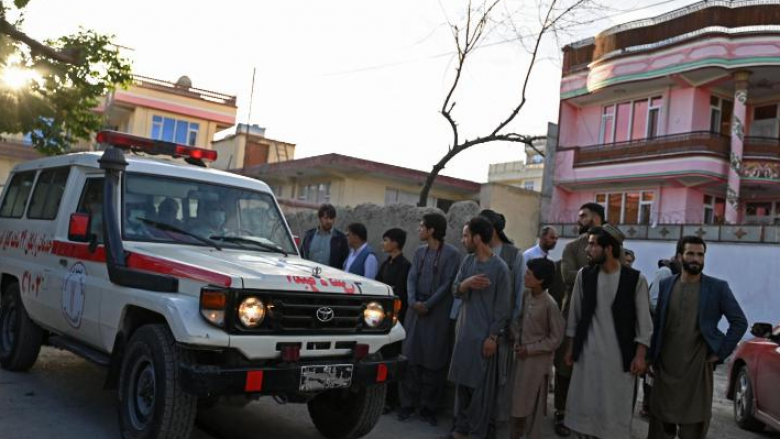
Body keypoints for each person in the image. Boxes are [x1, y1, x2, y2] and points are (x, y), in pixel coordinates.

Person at [647, 236, 747, 439]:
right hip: (665, 369)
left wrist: (720, 353)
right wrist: (650, 356)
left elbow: (739, 322)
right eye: (690, 253)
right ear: (678, 257)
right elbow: (658, 325)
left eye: (700, 254)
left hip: (697, 371)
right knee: (659, 426)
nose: (696, 259)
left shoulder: (717, 287)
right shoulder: (666, 285)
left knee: (693, 426)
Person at [564, 224, 652, 439]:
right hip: (587, 356)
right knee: (584, 409)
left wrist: (640, 355)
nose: (587, 250)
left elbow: (644, 322)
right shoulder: (585, 275)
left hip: (618, 359)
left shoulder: (635, 280)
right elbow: (574, 315)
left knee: (613, 415)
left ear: (609, 249)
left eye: (593, 245)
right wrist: (570, 348)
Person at [447, 216, 511, 439]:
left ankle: (476, 433)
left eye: (465, 235)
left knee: (480, 392)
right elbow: (455, 289)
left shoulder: (500, 268)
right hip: (464, 335)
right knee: (462, 387)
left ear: (477, 238)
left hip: (484, 338)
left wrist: (492, 337)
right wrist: (466, 283)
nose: (462, 240)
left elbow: (503, 309)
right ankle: (459, 431)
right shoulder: (468, 262)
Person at [399, 213, 462, 426]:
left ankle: (428, 408)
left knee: (433, 362)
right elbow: (412, 277)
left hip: (436, 315)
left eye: (422, 226)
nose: (419, 229)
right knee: (410, 358)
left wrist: (428, 305)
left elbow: (447, 285)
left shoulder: (452, 254)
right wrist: (412, 300)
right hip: (415, 312)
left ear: (432, 230)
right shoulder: (419, 252)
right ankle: (407, 405)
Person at [554, 202, 605, 437]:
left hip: (602, 315)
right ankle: (561, 413)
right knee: (566, 364)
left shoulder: (612, 245)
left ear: (596, 219)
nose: (579, 219)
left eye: (583, 216)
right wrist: (601, 277)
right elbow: (568, 276)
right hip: (571, 312)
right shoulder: (572, 247)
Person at [478, 208, 524, 439]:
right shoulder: (476, 253)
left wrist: (509, 327)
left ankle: (493, 426)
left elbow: (518, 295)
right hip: (477, 328)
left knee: (499, 381)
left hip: (502, 332)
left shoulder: (514, 255)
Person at [511, 258, 565, 439]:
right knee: (518, 405)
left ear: (540, 279)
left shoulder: (550, 304)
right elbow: (519, 321)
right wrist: (517, 340)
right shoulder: (527, 295)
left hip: (537, 362)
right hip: (521, 357)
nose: (525, 276)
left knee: (532, 408)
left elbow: (556, 338)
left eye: (529, 274)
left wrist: (531, 349)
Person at [376, 227, 412, 414]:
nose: (383, 243)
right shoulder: (385, 264)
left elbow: (401, 294)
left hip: (396, 320)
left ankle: (392, 400)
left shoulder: (405, 266)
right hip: (379, 321)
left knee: (392, 359)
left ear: (396, 243)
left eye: (386, 240)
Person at [640, 256, 680, 419]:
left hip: (666, 329)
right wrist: (672, 317)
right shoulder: (665, 272)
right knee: (652, 368)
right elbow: (653, 301)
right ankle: (648, 405)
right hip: (658, 328)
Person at [300, 203, 349, 269]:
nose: (329, 221)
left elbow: (344, 261)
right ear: (320, 218)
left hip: (330, 277)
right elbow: (302, 256)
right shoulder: (309, 236)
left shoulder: (340, 239)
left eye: (331, 218)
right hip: (309, 275)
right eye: (326, 218)